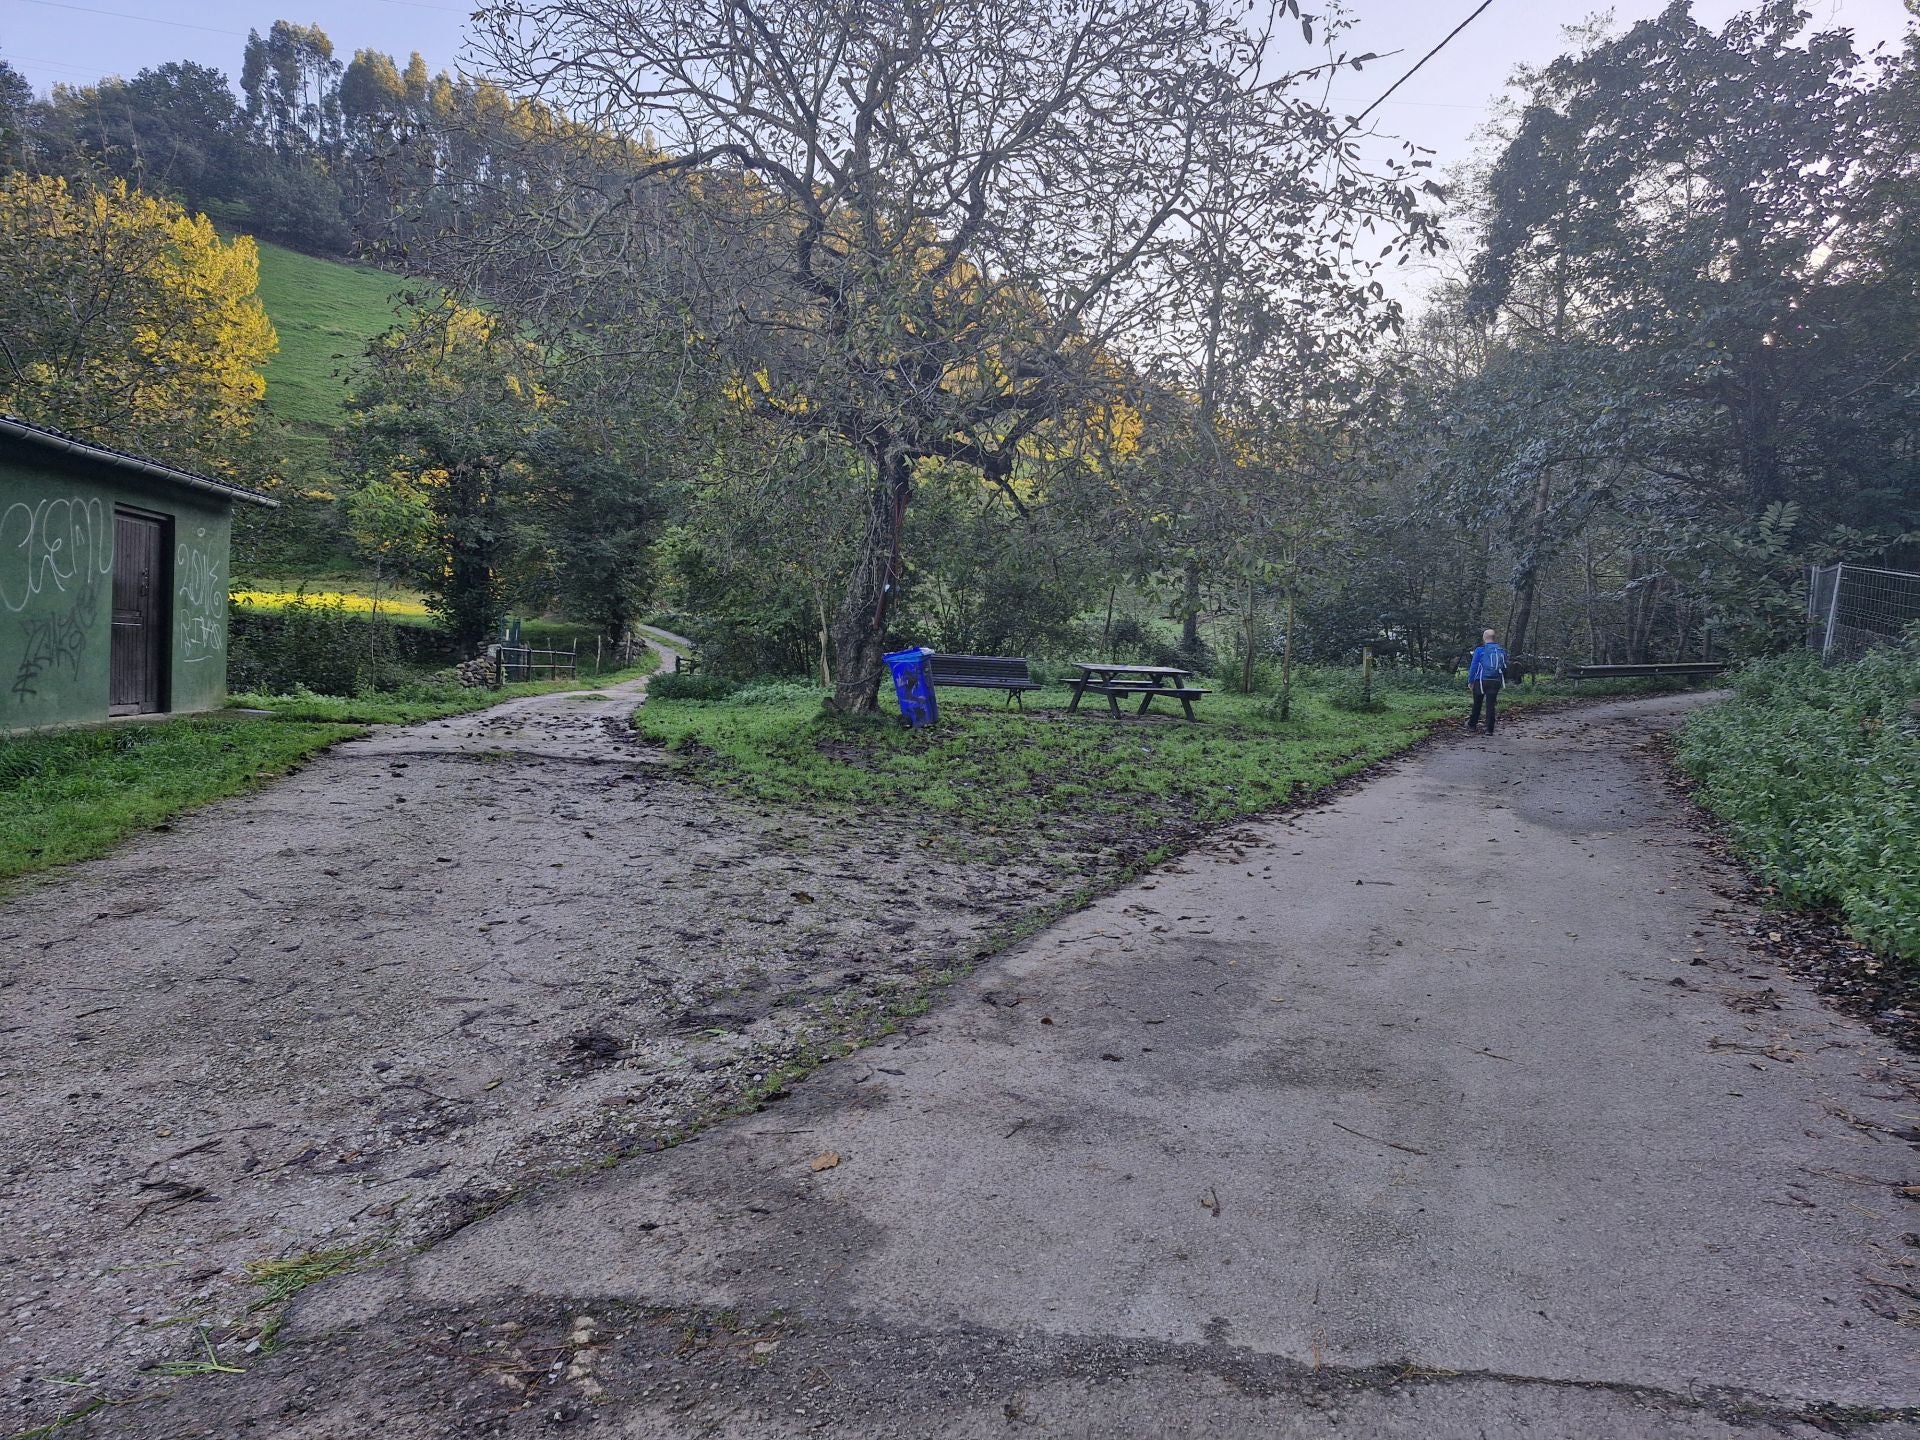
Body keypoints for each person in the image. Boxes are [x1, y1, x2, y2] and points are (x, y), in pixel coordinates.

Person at [1466, 628, 1508, 735]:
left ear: (1484, 638)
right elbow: (1504, 667)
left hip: (1480, 680)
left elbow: (1474, 666)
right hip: (1495, 680)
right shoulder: (1501, 651)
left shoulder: (1480, 650)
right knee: (1491, 704)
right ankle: (1489, 729)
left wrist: (1470, 681)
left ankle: (1472, 724)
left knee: (1477, 702)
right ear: (1494, 638)